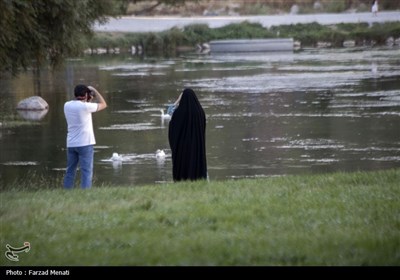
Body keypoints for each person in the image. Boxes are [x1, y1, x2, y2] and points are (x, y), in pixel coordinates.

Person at [63, 84, 107, 189]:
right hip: (85, 144)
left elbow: (81, 107)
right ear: (86, 94)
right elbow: (104, 104)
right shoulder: (86, 107)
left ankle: (67, 191)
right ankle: (85, 193)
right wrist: (95, 91)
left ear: (75, 94)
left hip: (71, 144)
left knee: (70, 171)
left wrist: (88, 100)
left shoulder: (67, 105)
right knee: (86, 172)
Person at [168, 88, 207, 181]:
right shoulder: (200, 112)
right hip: (196, 147)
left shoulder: (178, 113)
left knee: (183, 165)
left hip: (182, 149)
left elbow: (173, 130)